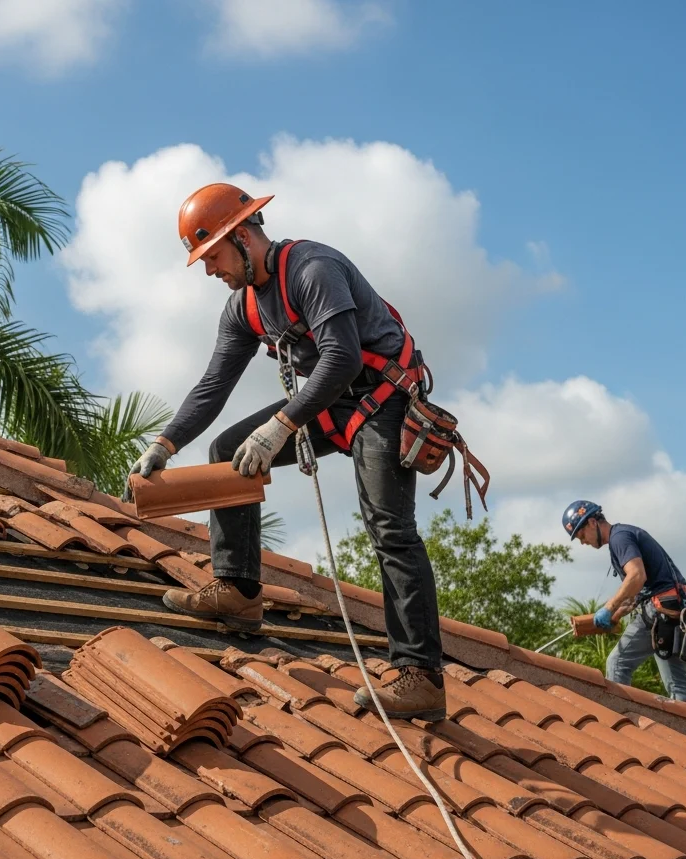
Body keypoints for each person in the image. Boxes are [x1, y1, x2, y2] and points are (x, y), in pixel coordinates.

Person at [123, 183, 446, 721]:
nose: (209, 270)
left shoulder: (313, 270)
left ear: (243, 237)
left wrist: (280, 426)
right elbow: (214, 385)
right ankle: (238, 589)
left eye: (213, 256)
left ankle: (421, 677)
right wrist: (165, 442)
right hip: (327, 402)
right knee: (228, 448)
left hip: (382, 399)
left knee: (389, 528)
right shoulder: (243, 307)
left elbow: (342, 358)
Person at [562, 500, 686, 701]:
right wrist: (615, 615)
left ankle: (618, 716)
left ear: (592, 523)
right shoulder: (624, 535)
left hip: (661, 613)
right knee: (678, 684)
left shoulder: (619, 538)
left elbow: (636, 576)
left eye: (581, 535)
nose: (583, 542)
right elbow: (637, 591)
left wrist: (609, 607)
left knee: (617, 663)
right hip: (673, 611)